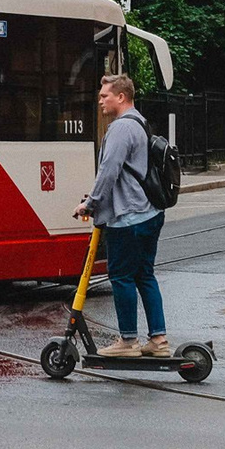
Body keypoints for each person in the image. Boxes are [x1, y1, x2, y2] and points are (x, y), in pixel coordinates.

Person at [75, 73, 166, 358]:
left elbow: (109, 171)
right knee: (144, 276)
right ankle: (159, 340)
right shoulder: (140, 122)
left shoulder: (120, 128)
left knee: (122, 277)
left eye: (105, 96)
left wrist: (90, 204)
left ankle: (128, 341)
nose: (100, 100)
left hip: (128, 216)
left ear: (121, 97)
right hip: (148, 212)